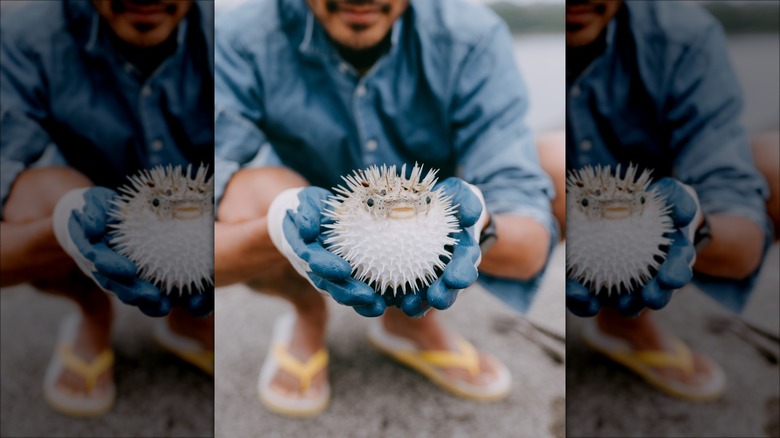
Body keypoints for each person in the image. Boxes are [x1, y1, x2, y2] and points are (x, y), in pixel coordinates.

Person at [214, 0, 557, 416]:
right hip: (304, 204)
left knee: (560, 159)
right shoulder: (239, 37)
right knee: (249, 192)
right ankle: (306, 309)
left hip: (429, 221)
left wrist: (479, 221)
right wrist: (276, 224)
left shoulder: (472, 36)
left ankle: (411, 319)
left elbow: (527, 239)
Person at [0, 0, 214, 416]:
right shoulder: (24, 39)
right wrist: (62, 227)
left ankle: (191, 320)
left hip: (201, 210)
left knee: (266, 191)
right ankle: (93, 311)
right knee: (31, 200)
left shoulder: (230, 34)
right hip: (85, 192)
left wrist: (270, 216)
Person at [561, 0, 774, 400]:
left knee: (773, 164)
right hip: (556, 200)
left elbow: (735, 208)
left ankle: (624, 324)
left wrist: (696, 225)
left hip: (651, 214)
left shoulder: (685, 36)